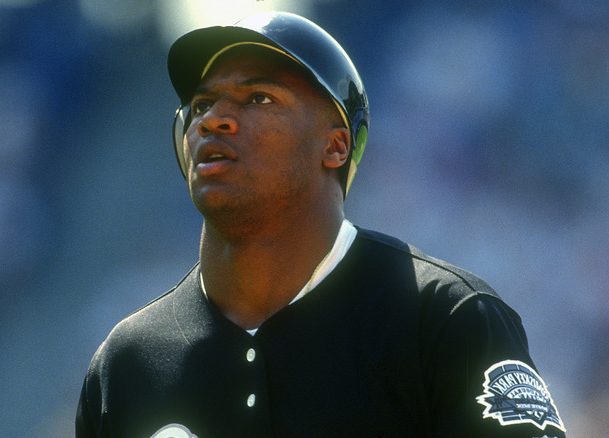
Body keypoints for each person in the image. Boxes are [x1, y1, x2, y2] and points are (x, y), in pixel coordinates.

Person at [76, 11, 566, 438]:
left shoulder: (446, 319)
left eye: (259, 99)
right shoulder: (127, 363)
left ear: (335, 146)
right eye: (200, 105)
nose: (212, 120)